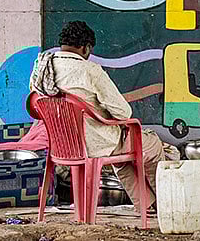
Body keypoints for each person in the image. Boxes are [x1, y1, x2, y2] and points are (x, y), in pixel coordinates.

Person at [30, 21, 165, 212]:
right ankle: (166, 200)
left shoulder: (41, 68)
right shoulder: (90, 70)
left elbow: (35, 105)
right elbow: (123, 112)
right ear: (86, 48)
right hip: (95, 144)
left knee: (121, 157)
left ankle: (147, 205)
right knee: (152, 145)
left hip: (61, 145)